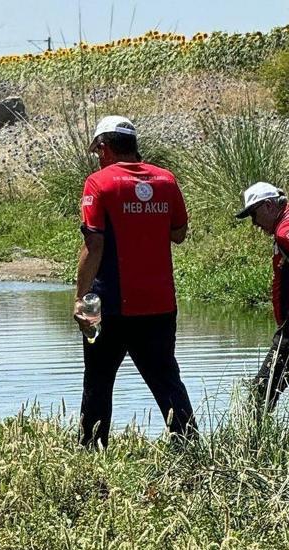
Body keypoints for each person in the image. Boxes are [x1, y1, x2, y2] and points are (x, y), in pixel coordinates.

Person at [73, 115, 195, 448]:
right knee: (168, 381)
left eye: (98, 151)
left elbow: (93, 245)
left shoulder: (98, 183)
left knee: (98, 382)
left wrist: (80, 298)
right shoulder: (167, 181)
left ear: (104, 146)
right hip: (159, 305)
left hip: (107, 306)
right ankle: (191, 451)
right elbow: (179, 234)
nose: (98, 157)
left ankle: (91, 454)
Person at [235, 182, 289, 411]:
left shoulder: (286, 230)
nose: (255, 224)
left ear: (268, 205)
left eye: (254, 215)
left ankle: (252, 446)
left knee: (260, 395)